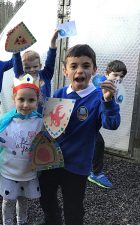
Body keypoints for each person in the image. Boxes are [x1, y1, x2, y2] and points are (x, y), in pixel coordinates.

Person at [39, 44, 121, 225]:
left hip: (76, 166)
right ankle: (52, 220)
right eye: (74, 66)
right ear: (65, 70)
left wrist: (108, 102)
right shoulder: (60, 93)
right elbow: (49, 127)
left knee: (73, 208)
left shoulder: (100, 96)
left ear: (94, 70)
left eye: (85, 65)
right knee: (45, 197)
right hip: (51, 161)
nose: (80, 70)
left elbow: (112, 124)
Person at [0, 74, 43, 225]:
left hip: (28, 171)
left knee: (23, 200)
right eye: (21, 99)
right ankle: (8, 222)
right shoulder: (7, 120)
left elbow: (45, 144)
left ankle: (21, 221)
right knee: (8, 201)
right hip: (9, 171)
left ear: (37, 100)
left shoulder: (39, 122)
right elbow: (0, 142)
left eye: (31, 100)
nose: (25, 104)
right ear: (14, 99)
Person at [88, 60, 127, 188]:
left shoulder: (114, 90)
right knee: (97, 143)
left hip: (92, 124)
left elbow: (110, 121)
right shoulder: (100, 87)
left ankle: (92, 170)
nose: (118, 78)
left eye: (121, 76)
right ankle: (95, 173)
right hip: (85, 122)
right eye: (115, 75)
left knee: (96, 142)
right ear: (106, 73)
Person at [13, 29, 59, 114]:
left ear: (40, 66)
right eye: (28, 67)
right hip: (28, 117)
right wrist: (16, 50)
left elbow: (50, 60)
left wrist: (53, 42)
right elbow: (17, 63)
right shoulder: (22, 77)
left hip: (45, 116)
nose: (32, 69)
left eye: (35, 66)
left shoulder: (45, 75)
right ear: (23, 68)